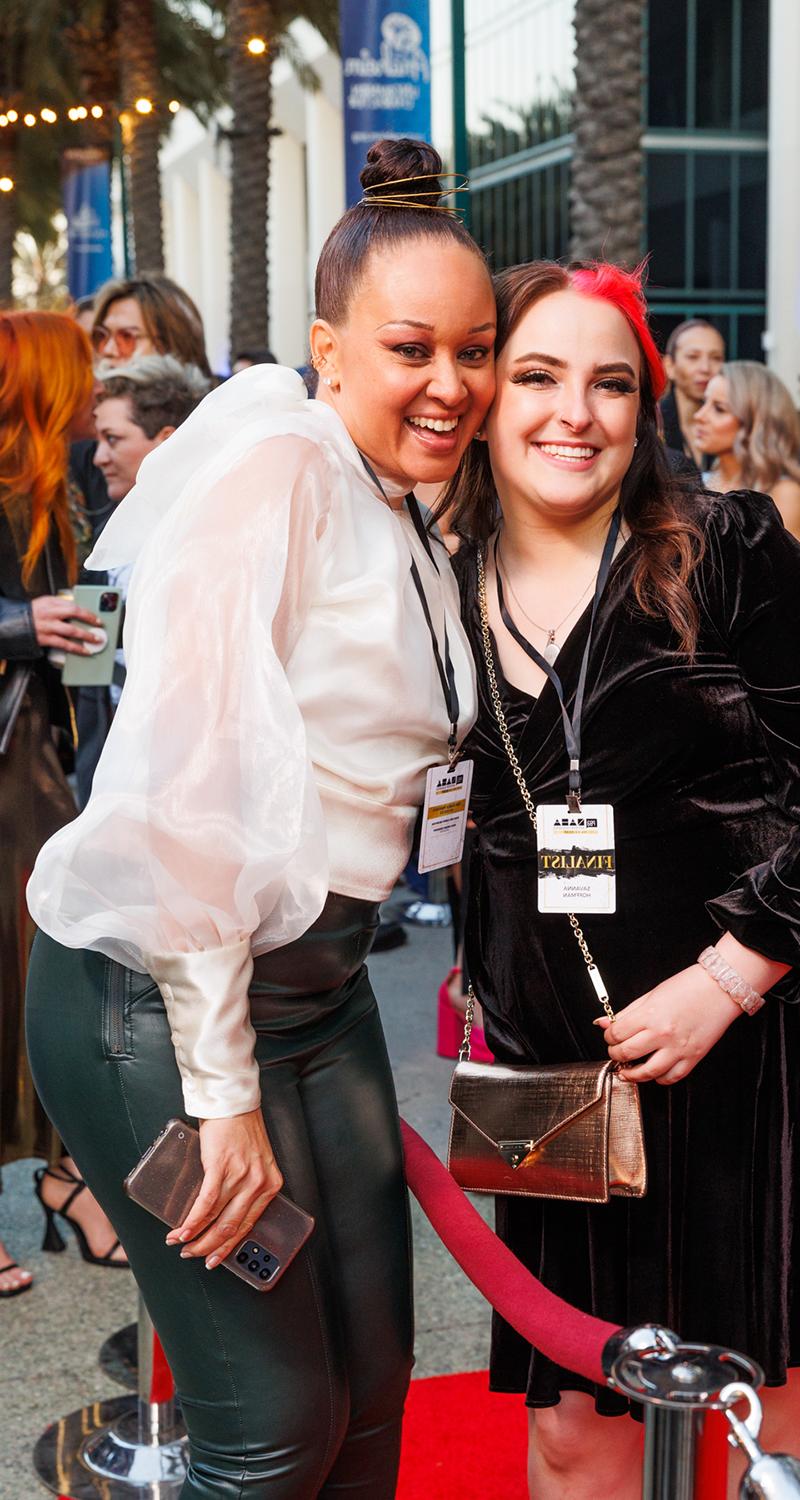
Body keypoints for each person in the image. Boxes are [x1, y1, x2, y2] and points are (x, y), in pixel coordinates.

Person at [26, 138, 494, 1495]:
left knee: (370, 1396)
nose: (451, 382)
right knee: (272, 1428)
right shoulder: (276, 466)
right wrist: (216, 1096)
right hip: (160, 1011)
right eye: (414, 347)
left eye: (474, 348)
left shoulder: (397, 498)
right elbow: (190, 799)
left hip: (321, 995)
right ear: (328, 347)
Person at [445, 261, 800, 1499]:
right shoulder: (433, 580)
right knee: (572, 1429)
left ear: (646, 405)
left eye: (610, 383)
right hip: (560, 1079)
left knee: (753, 1408)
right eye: (537, 376)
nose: (571, 412)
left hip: (752, 1058)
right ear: (487, 398)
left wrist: (727, 978)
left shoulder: (725, 548)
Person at [0, 312, 128, 1299]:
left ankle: (67, 1176)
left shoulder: (59, 489)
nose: (98, 391)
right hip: (12, 767)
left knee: (57, 975)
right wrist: (16, 624)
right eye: (80, 373)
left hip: (43, 763)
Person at [72, 277, 215, 806]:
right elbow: (96, 606)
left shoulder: (227, 464)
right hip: (111, 735)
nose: (109, 350)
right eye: (103, 336)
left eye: (128, 337)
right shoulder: (91, 460)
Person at [694, 360, 800, 542]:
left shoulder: (784, 493)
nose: (699, 416)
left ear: (755, 422)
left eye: (719, 409)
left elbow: (788, 569)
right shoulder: (698, 481)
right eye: (704, 402)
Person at [659, 317, 725, 465]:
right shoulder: (652, 425)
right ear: (670, 366)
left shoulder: (732, 428)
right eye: (693, 357)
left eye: (716, 358)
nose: (705, 368)